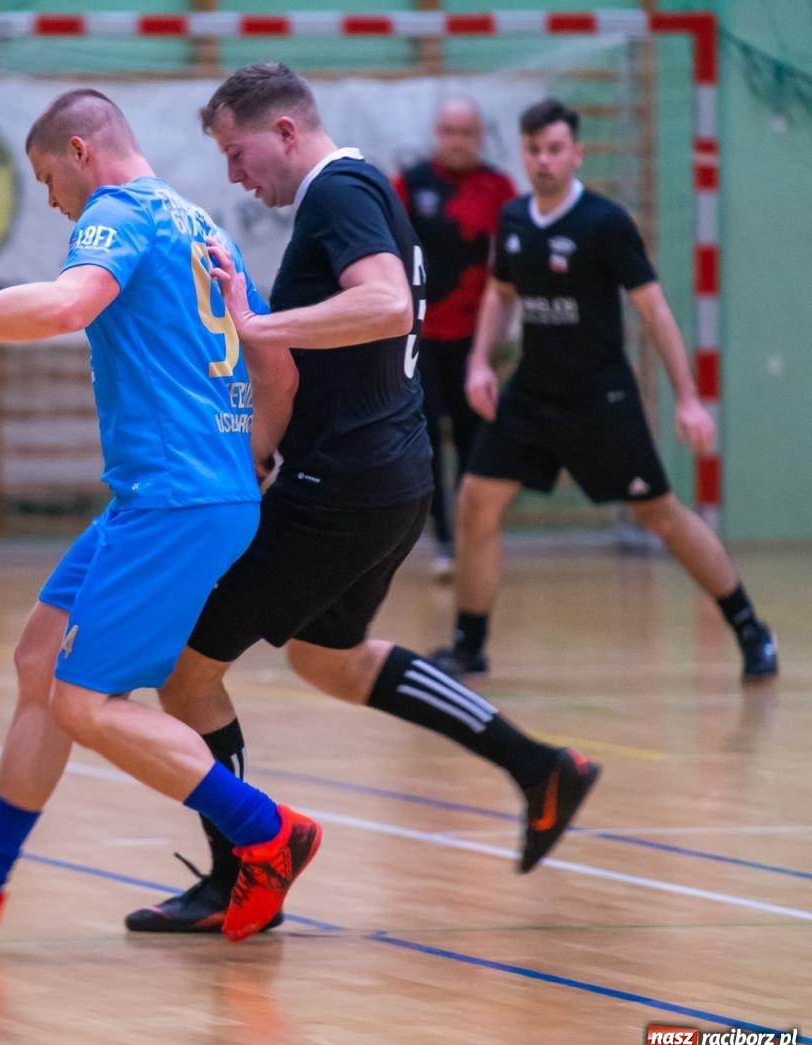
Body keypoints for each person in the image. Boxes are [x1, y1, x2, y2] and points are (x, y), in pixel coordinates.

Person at [124, 65, 598, 936]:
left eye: (236, 152)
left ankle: (243, 873)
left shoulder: (337, 192)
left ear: (285, 132)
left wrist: (257, 325)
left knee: (186, 677)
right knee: (329, 658)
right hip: (389, 477)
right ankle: (540, 768)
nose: (234, 174)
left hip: (342, 487)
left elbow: (382, 305)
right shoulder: (364, 187)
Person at [0, 89, 317, 942]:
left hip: (173, 498)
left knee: (84, 704)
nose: (54, 201)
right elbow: (278, 368)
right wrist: (243, 460)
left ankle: (268, 831)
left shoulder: (117, 212)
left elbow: (67, 307)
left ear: (80, 152)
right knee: (40, 658)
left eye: (46, 180)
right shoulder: (201, 226)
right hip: (178, 490)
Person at [428, 100, 778, 682]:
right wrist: (479, 364)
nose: (544, 160)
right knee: (475, 502)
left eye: (555, 149)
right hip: (532, 394)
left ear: (577, 154)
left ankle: (750, 628)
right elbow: (498, 294)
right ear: (523, 154)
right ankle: (469, 645)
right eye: (534, 150)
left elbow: (654, 310)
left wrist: (688, 397)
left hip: (600, 397)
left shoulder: (605, 223)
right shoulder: (513, 219)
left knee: (660, 514)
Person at [393, 99, 516, 578]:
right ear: (437, 133)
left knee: (474, 440)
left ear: (479, 136)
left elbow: (511, 264)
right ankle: (444, 538)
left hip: (476, 341)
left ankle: (471, 537)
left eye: (466, 132)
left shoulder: (498, 189)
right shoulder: (412, 183)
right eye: (449, 131)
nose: (457, 140)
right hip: (420, 337)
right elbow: (390, 253)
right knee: (426, 439)